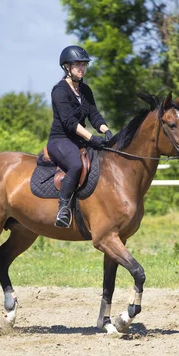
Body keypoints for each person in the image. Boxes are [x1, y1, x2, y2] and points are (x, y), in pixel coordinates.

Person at [47, 45, 113, 228]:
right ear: (66, 67)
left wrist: (106, 131)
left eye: (84, 65)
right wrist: (92, 138)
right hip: (60, 140)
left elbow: (94, 116)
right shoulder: (59, 91)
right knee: (76, 165)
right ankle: (63, 209)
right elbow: (69, 122)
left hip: (79, 140)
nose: (82, 68)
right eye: (78, 65)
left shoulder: (85, 90)